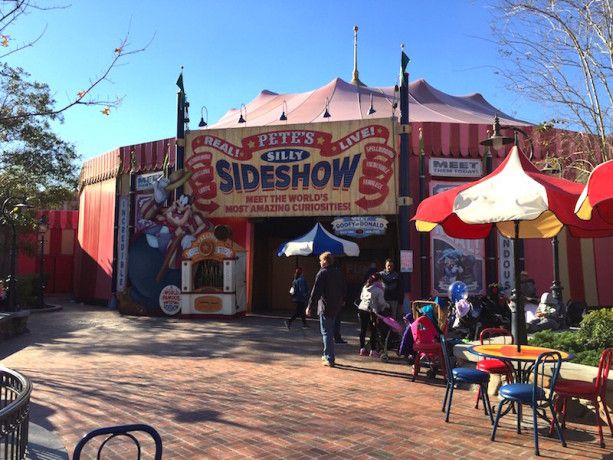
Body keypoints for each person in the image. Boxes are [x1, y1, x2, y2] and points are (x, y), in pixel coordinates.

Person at [306, 251, 346, 367]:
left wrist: (310, 306)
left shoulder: (322, 273)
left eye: (320, 260)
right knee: (330, 330)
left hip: (325, 306)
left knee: (326, 332)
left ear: (324, 261)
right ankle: (327, 355)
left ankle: (329, 357)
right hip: (336, 306)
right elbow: (344, 287)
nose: (319, 263)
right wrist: (342, 300)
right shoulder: (338, 272)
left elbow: (316, 291)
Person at [357, 273, 389, 357]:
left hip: (362, 309)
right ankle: (373, 350)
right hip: (372, 311)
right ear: (379, 280)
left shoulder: (365, 287)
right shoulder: (379, 290)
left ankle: (362, 349)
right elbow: (381, 302)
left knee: (363, 329)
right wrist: (387, 305)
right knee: (373, 330)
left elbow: (361, 297)